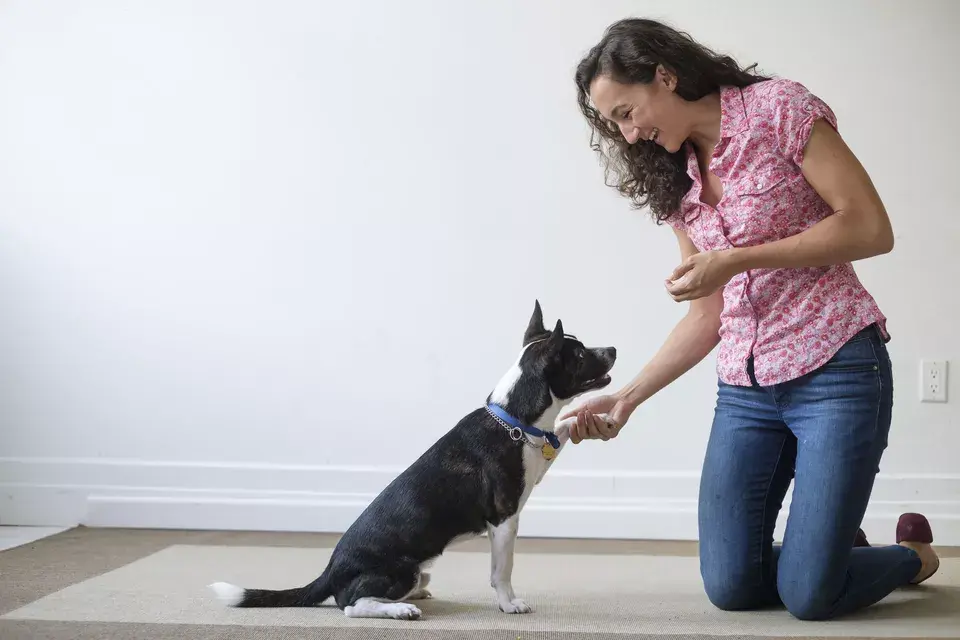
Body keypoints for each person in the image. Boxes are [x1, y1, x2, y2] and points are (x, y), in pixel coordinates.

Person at [562, 17, 939, 621]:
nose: (629, 136)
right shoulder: (673, 180)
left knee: (810, 596)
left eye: (628, 112)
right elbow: (709, 311)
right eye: (615, 126)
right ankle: (830, 545)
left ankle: (912, 555)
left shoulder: (779, 110)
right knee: (732, 587)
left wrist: (736, 259)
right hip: (746, 393)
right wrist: (626, 398)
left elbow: (870, 226)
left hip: (836, 368)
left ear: (665, 75)